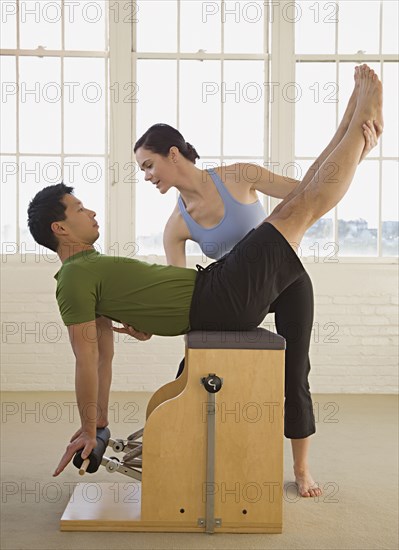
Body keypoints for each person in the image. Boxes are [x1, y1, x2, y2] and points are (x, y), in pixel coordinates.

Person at [27, 65, 382, 494]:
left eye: (148, 165)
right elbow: (89, 360)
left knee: (302, 202)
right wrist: (89, 427)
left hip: (219, 288)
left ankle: (352, 124)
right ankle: (359, 130)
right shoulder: (75, 279)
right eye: (79, 210)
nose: (92, 212)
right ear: (60, 229)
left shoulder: (91, 269)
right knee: (303, 208)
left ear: (173, 153)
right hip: (217, 297)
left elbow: (106, 357)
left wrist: (101, 422)